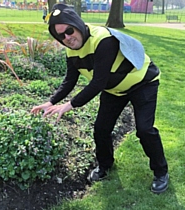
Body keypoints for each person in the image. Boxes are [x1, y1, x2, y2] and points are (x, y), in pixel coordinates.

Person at [30, 3, 169, 194]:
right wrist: (51, 102)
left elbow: (98, 83)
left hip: (143, 83)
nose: (67, 38)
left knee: (145, 130)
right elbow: (70, 80)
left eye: (69, 31)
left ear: (77, 24)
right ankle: (105, 165)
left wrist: (69, 105)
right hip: (115, 90)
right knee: (101, 129)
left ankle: (161, 172)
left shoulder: (103, 40)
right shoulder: (71, 51)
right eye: (61, 36)